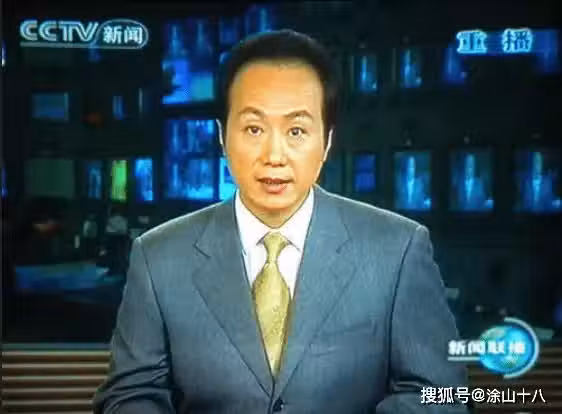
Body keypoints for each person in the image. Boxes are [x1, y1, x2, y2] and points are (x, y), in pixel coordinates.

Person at [93, 30, 468, 413]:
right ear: (222, 136)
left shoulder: (397, 249)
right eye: (254, 129)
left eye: (296, 131)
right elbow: (130, 395)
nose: (274, 155)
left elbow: (442, 394)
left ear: (327, 141)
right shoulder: (158, 257)